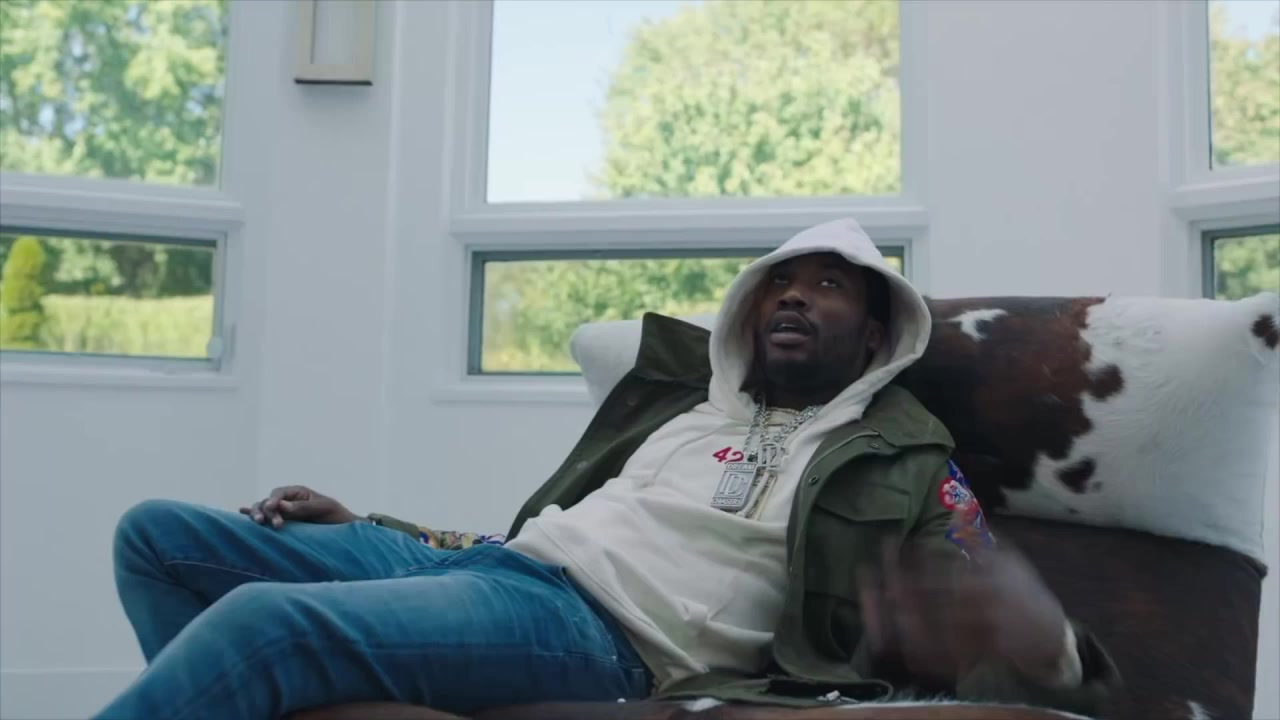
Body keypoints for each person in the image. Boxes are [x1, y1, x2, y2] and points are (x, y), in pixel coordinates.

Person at [97, 219, 1119, 720]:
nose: (793, 298)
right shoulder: (676, 409)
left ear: (876, 335)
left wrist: (1054, 652)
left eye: (826, 287)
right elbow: (545, 534)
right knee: (159, 537)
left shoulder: (907, 461)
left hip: (603, 635)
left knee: (266, 621)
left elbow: (986, 610)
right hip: (503, 573)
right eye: (778, 285)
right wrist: (370, 524)